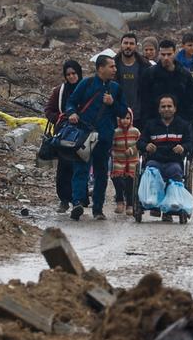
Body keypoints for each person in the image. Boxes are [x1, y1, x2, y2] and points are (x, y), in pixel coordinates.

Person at [64, 54, 127, 221]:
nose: (115, 69)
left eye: (115, 66)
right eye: (111, 66)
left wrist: (112, 103)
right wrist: (72, 114)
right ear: (100, 68)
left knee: (101, 172)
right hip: (85, 134)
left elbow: (123, 111)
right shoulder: (87, 83)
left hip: (105, 137)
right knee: (81, 169)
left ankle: (98, 209)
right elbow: (71, 102)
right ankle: (77, 202)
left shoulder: (116, 88)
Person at [44, 59, 82, 214]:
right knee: (64, 167)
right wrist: (60, 118)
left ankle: (78, 199)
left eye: (74, 73)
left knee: (79, 167)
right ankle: (64, 199)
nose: (72, 77)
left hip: (81, 134)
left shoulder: (85, 89)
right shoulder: (59, 91)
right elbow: (49, 110)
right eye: (69, 74)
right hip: (64, 135)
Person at [139, 40, 193, 134]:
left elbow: (192, 101)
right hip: (155, 125)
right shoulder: (149, 75)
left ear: (175, 53)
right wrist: (148, 124)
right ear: (159, 54)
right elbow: (144, 101)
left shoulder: (185, 75)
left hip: (180, 125)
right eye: (163, 54)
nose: (166, 58)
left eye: (169, 54)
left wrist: (186, 122)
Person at [138, 94, 193, 189]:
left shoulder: (183, 125)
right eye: (163, 107)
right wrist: (146, 146)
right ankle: (152, 199)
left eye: (169, 106)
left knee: (175, 171)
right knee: (151, 170)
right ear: (159, 109)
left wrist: (183, 147)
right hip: (155, 160)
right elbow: (140, 143)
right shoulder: (150, 125)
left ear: (175, 108)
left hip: (174, 161)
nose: (166, 109)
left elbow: (190, 143)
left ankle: (174, 200)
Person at [116, 32, 151, 123]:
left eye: (131, 44)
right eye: (125, 43)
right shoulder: (113, 65)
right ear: (121, 45)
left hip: (139, 116)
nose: (128, 46)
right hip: (117, 115)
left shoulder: (145, 66)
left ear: (136, 46)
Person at [111, 109, 140, 216]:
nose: (125, 121)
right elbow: (111, 144)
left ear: (131, 119)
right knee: (117, 181)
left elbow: (140, 144)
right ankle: (119, 201)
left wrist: (132, 150)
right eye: (122, 118)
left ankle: (130, 205)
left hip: (132, 162)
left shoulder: (135, 132)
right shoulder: (115, 132)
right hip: (118, 160)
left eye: (128, 118)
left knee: (130, 185)